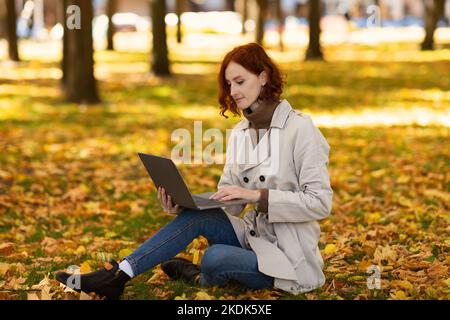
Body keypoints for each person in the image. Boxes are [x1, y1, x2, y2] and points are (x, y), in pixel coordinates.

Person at [55, 42, 333, 300]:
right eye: (229, 83)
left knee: (215, 257)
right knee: (196, 218)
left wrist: (256, 196)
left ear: (262, 77)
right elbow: (230, 202)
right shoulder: (240, 133)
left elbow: (320, 203)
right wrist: (187, 205)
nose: (233, 91)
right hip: (254, 238)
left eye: (240, 81)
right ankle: (119, 274)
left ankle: (200, 276)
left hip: (290, 257)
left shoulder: (301, 130)